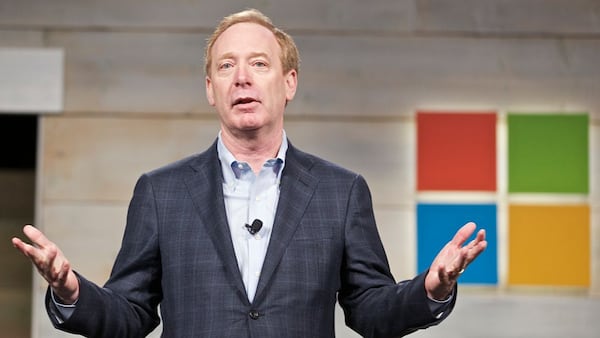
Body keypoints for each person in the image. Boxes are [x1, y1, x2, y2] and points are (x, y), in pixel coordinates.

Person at [12, 8, 487, 338]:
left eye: (259, 64)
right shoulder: (162, 192)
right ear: (210, 89)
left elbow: (371, 311)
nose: (242, 77)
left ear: (289, 83)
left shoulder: (340, 192)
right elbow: (129, 315)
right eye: (226, 66)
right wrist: (70, 289)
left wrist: (431, 287)